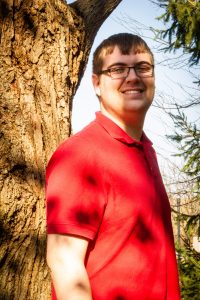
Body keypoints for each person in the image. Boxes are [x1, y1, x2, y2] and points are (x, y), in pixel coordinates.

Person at [46, 33, 180, 300]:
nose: (133, 77)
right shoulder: (81, 154)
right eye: (118, 69)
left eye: (143, 67)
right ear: (96, 83)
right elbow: (64, 262)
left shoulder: (146, 151)